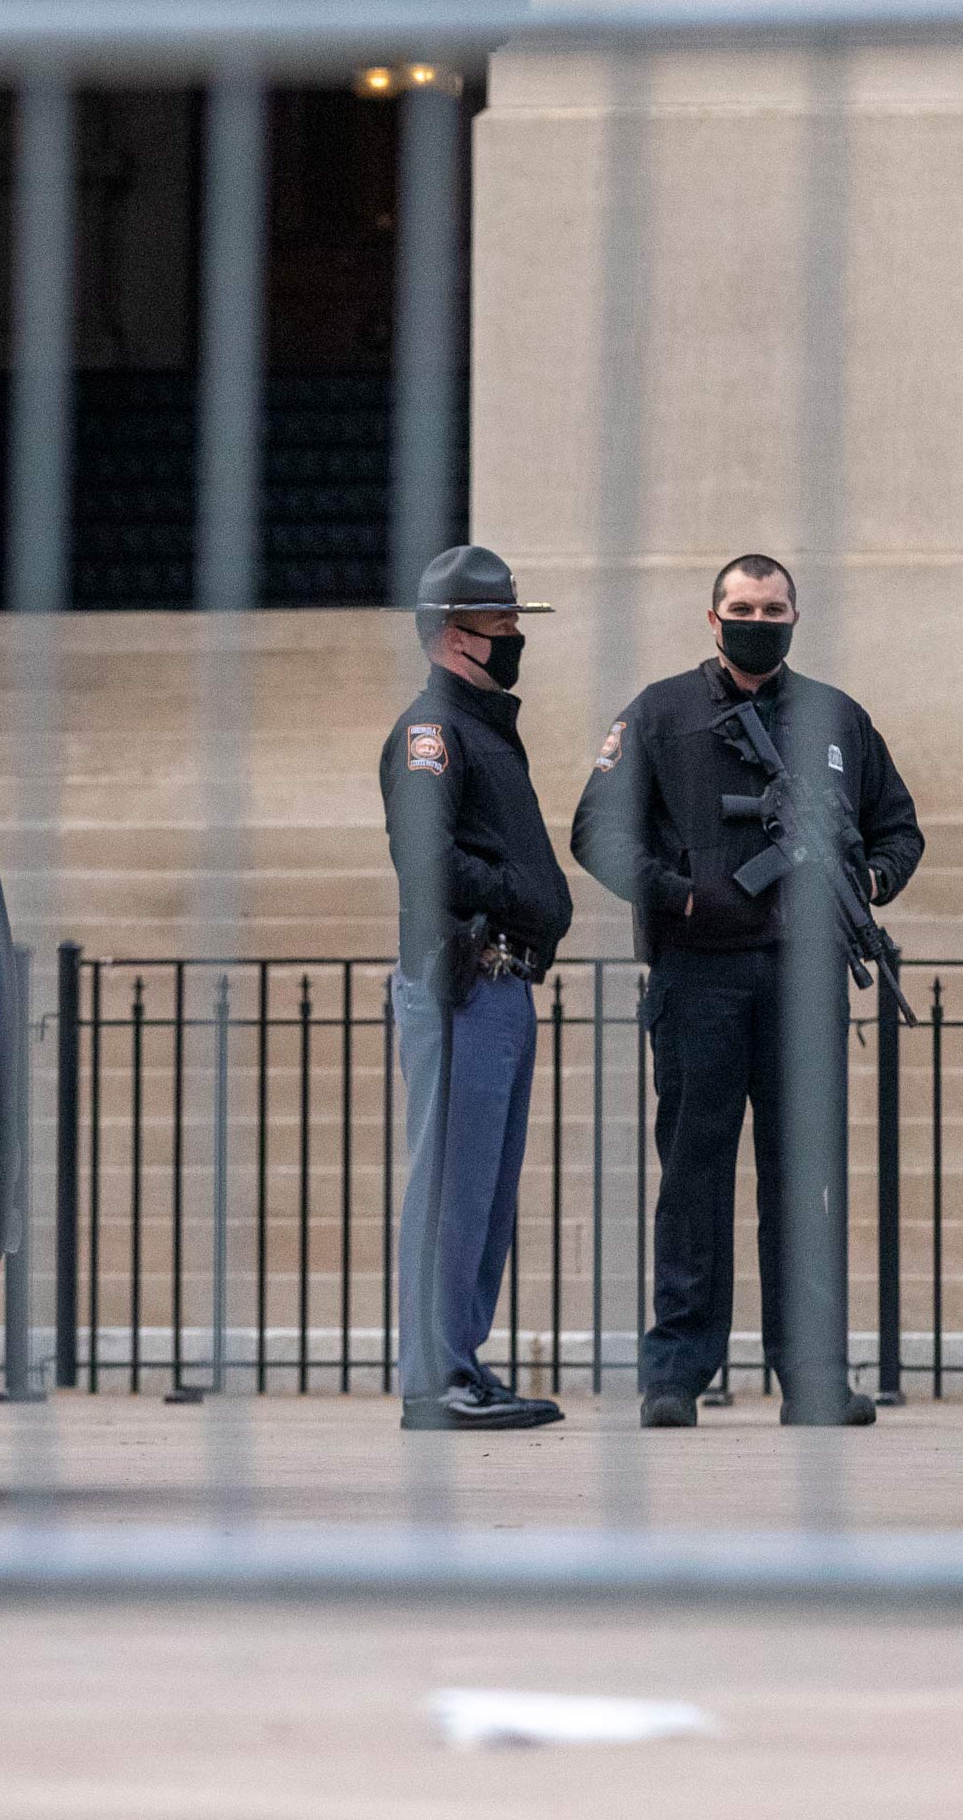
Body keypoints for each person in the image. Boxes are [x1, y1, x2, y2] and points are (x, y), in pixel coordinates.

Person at [571, 553, 923, 1428]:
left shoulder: (837, 718)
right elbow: (595, 830)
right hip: (700, 976)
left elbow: (899, 829)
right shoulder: (662, 712)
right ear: (712, 615)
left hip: (805, 979)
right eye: (741, 606)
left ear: (794, 617)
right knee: (694, 1175)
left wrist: (865, 885)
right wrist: (682, 894)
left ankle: (810, 1376)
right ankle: (675, 1375)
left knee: (803, 1180)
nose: (756, 620)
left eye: (772, 608)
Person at [382, 543, 575, 1431]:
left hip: (503, 985)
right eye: (499, 625)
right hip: (465, 979)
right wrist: (523, 893)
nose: (511, 639)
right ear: (452, 636)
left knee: (486, 1193)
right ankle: (433, 1377)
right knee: (451, 1190)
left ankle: (460, 1360)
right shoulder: (433, 734)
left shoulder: (485, 730)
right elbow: (428, 862)